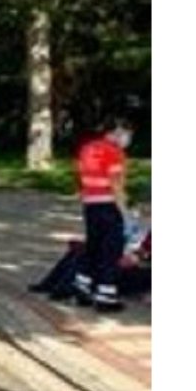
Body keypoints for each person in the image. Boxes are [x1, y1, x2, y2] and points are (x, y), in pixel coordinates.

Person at [72, 117, 135, 312]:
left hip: (91, 205)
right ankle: (105, 297)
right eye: (127, 134)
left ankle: (82, 286)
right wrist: (126, 213)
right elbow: (116, 185)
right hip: (109, 205)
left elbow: (80, 177)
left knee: (94, 247)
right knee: (111, 250)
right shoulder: (114, 152)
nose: (128, 139)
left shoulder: (87, 148)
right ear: (117, 131)